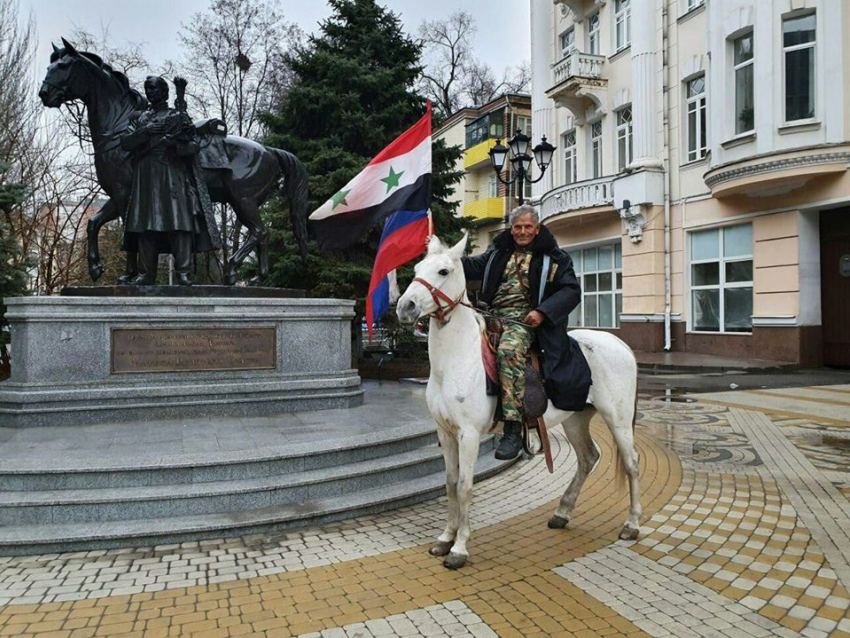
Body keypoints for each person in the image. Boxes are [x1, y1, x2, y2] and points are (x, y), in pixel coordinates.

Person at [462, 204, 591, 460]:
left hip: (526, 323)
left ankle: (512, 429)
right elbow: (469, 266)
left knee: (509, 351)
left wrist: (542, 312)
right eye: (517, 227)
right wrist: (440, 254)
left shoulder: (555, 259)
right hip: (491, 316)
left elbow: (571, 291)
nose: (522, 231)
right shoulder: (497, 253)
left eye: (527, 227)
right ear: (511, 229)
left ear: (537, 228)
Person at [120, 76, 212, 285]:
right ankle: (146, 273)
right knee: (145, 225)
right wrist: (145, 131)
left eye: (153, 88)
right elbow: (125, 143)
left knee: (179, 223)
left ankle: (183, 272)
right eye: (147, 89)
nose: (150, 92)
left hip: (172, 172)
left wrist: (175, 146)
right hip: (145, 176)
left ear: (164, 92)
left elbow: (194, 146)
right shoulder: (139, 118)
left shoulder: (176, 116)